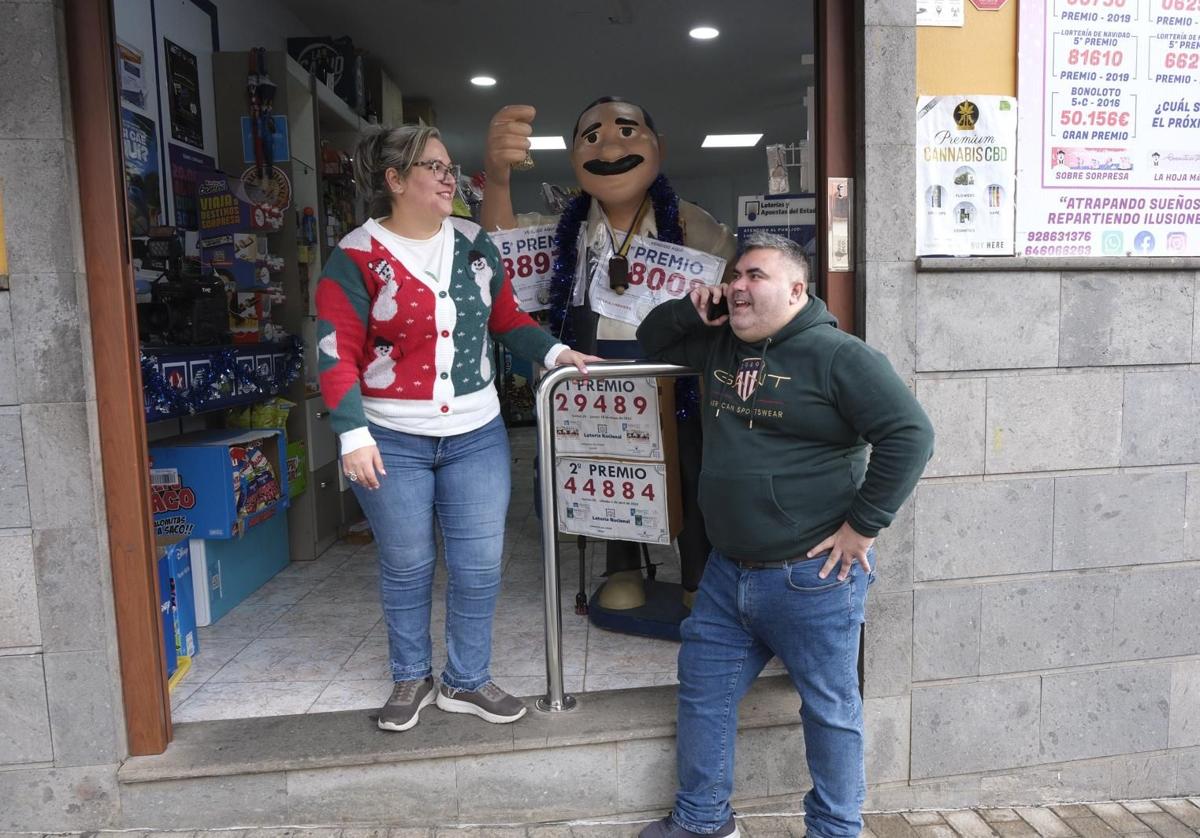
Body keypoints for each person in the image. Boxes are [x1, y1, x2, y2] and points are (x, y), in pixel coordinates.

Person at [635, 232, 934, 838]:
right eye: (735, 274)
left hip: (812, 578)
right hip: (726, 573)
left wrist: (863, 527)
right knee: (703, 695)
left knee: (829, 712)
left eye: (756, 276)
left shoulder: (838, 356)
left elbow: (910, 434)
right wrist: (688, 308)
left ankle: (834, 830)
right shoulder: (719, 341)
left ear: (798, 289)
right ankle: (702, 822)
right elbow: (649, 342)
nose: (739, 286)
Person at [315, 125, 597, 732]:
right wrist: (352, 434)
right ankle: (410, 677)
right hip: (390, 438)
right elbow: (335, 351)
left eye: (450, 167)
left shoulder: (472, 242)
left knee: (478, 565)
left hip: (477, 433)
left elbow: (507, 318)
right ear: (395, 181)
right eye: (435, 168)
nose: (450, 178)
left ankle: (465, 682)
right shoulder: (356, 255)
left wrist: (554, 354)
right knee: (408, 563)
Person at [482, 97, 737, 613]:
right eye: (591, 137)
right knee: (612, 474)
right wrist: (498, 180)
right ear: (574, 158)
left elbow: (730, 286)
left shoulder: (695, 226)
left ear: (659, 148)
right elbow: (500, 251)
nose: (611, 145)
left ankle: (696, 573)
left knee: (686, 467)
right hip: (593, 374)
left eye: (627, 131)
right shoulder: (564, 229)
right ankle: (622, 565)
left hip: (673, 375)